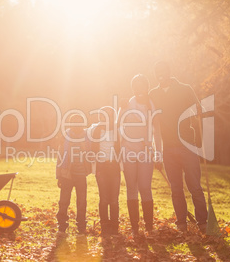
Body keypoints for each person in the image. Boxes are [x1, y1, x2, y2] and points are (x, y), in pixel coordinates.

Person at [149, 61, 207, 233]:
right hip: (168, 148)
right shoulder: (153, 94)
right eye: (157, 72)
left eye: (163, 71)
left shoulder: (185, 89)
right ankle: (181, 224)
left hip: (187, 146)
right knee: (176, 188)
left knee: (194, 186)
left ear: (169, 71)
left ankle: (202, 223)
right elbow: (152, 124)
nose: (161, 74)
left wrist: (199, 110)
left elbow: (199, 110)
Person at [118, 74, 162, 237]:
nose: (139, 89)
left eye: (142, 86)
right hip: (128, 151)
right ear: (133, 88)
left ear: (146, 87)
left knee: (144, 187)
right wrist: (121, 109)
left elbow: (157, 132)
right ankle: (135, 228)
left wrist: (158, 155)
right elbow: (118, 126)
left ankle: (149, 228)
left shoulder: (152, 105)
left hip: (145, 152)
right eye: (135, 86)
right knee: (132, 188)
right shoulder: (127, 104)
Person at [87, 106, 121, 238]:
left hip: (114, 167)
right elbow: (83, 133)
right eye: (104, 115)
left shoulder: (117, 130)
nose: (106, 118)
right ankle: (105, 226)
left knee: (114, 199)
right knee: (104, 198)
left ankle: (114, 227)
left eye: (110, 115)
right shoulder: (95, 130)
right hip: (101, 167)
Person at [56, 113, 92, 236]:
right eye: (74, 124)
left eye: (79, 124)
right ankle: (62, 227)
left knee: (82, 201)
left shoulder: (87, 137)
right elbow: (60, 155)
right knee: (64, 201)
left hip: (81, 174)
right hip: (67, 174)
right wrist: (59, 175)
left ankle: (81, 228)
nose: (77, 127)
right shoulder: (65, 136)